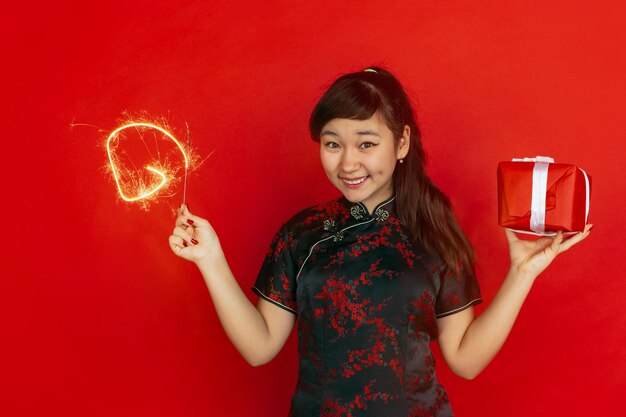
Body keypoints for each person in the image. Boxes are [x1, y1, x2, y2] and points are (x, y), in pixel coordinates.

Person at [168, 66, 592, 417]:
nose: (347, 162)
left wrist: (522, 272)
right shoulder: (303, 233)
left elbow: (465, 360)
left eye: (366, 144)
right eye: (333, 144)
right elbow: (260, 347)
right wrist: (211, 259)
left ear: (401, 142)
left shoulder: (434, 231)